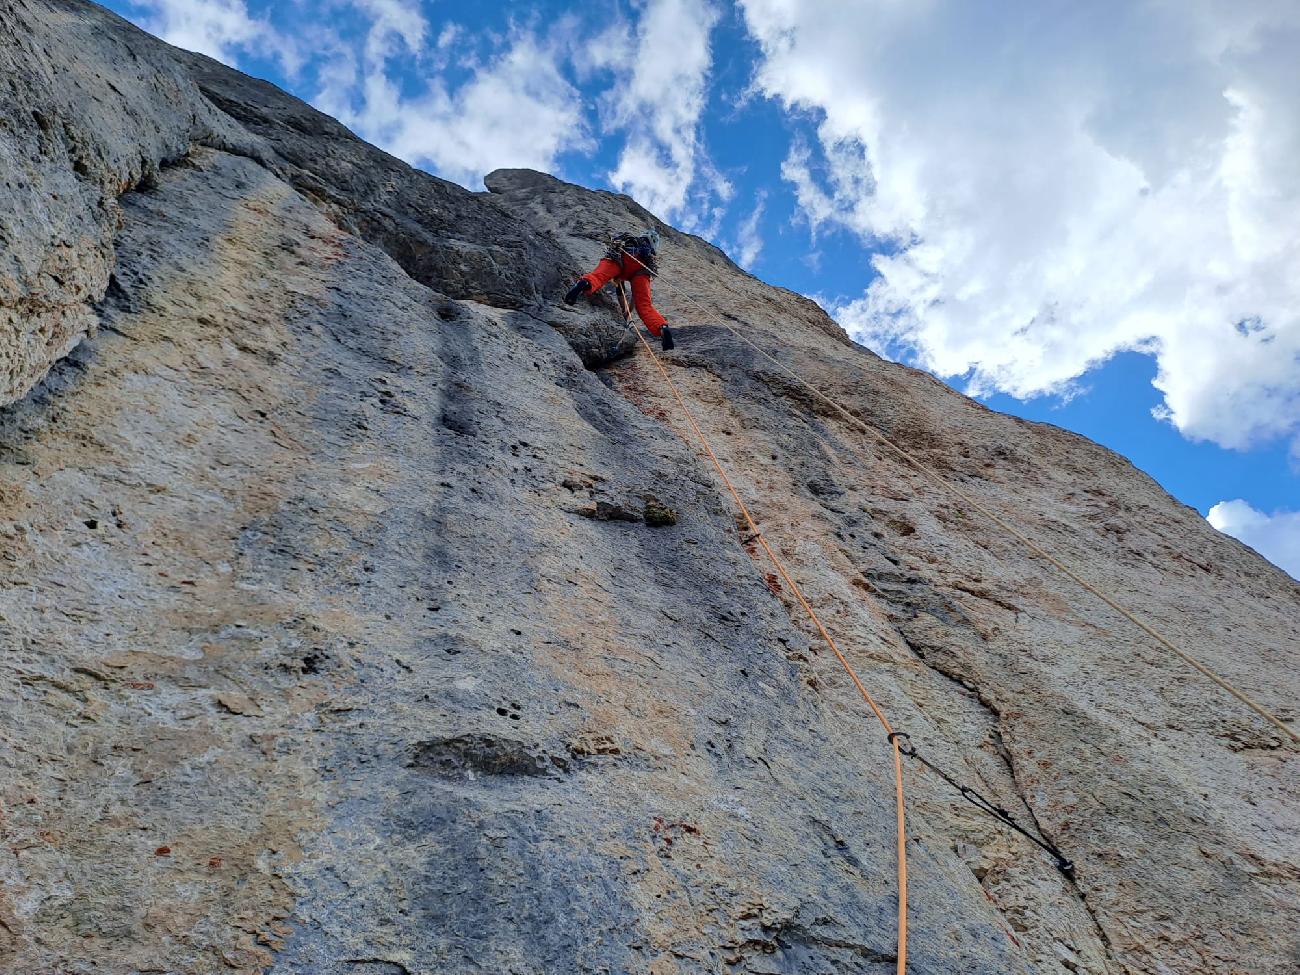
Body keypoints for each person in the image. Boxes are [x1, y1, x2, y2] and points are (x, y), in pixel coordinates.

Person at [564, 228, 674, 350]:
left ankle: (584, 283)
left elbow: (619, 290)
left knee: (598, 276)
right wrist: (629, 311)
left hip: (621, 257)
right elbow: (635, 296)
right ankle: (662, 328)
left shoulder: (630, 241)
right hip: (641, 269)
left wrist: (627, 312)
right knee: (645, 305)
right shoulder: (647, 254)